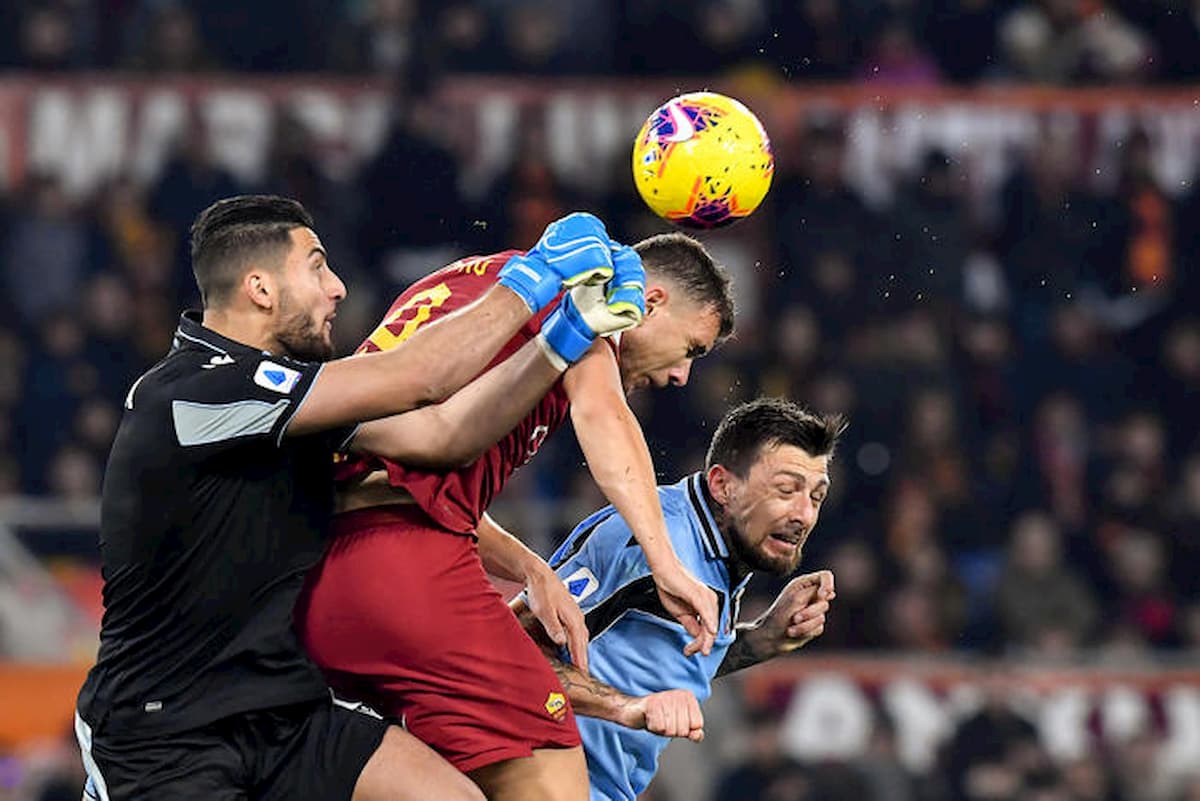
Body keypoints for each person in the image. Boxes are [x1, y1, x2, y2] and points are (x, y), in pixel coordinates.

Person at [75, 195, 635, 801]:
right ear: (260, 289)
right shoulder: (191, 396)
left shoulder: (286, 396)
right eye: (316, 266)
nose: (337, 288)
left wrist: (562, 337)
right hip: (164, 732)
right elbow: (420, 378)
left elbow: (443, 435)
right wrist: (535, 275)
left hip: (279, 709)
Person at [297, 221, 736, 801]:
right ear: (650, 303)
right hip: (403, 574)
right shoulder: (583, 296)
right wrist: (666, 564)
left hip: (323, 576)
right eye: (691, 350)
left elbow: (414, 479)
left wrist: (531, 568)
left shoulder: (483, 283)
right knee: (553, 775)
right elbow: (604, 418)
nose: (681, 375)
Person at [517, 397, 844, 801]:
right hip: (535, 782)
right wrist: (625, 706)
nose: (804, 515)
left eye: (816, 496)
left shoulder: (726, 551)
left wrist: (762, 639)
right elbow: (511, 653)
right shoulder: (650, 541)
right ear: (723, 486)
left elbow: (657, 663)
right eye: (786, 490)